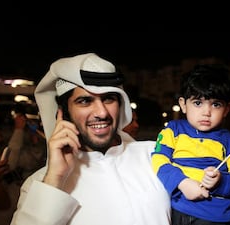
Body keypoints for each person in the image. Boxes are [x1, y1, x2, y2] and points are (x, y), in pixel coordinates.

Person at [10, 53, 170, 225]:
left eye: (109, 99)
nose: (101, 113)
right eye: (85, 101)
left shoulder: (156, 157)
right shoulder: (41, 183)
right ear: (62, 113)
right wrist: (55, 178)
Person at [151, 64, 230, 225]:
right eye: (198, 103)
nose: (207, 112)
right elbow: (159, 160)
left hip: (214, 217)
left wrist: (221, 182)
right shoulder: (173, 130)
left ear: (227, 109)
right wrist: (182, 183)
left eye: (216, 104)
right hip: (175, 210)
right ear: (183, 104)